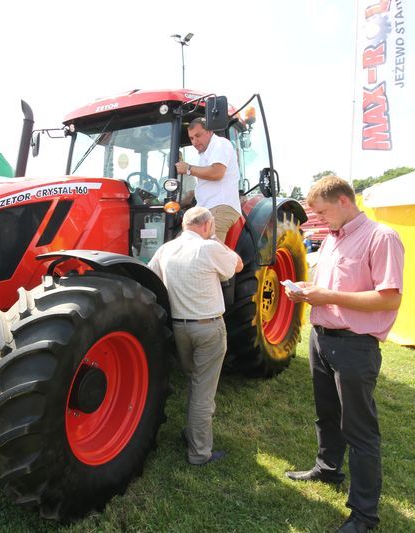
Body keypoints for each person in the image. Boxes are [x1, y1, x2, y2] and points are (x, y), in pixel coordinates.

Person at [283, 176, 405, 533]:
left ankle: (364, 516)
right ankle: (328, 468)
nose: (318, 222)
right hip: (322, 339)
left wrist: (328, 298)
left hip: (355, 345)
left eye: (321, 213)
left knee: (360, 431)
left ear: (343, 201)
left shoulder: (382, 237)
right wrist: (307, 292)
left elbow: (390, 297)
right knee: (327, 416)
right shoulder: (334, 240)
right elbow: (333, 288)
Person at [149, 207, 243, 465]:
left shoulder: (165, 249)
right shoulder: (208, 247)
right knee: (204, 392)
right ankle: (200, 453)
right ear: (207, 224)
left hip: (180, 328)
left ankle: (191, 433)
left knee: (194, 381)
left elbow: (152, 278)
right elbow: (237, 265)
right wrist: (214, 239)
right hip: (208, 327)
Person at [174, 117, 241, 244]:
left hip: (221, 206)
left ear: (209, 131)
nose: (194, 141)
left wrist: (188, 168)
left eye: (198, 136)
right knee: (179, 243)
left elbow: (217, 172)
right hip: (206, 208)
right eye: (192, 138)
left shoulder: (220, 144)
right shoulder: (205, 154)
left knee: (208, 251)